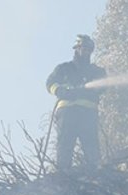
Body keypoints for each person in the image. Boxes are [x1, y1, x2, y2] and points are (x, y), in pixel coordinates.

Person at [46, 34, 106, 170]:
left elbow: (103, 86)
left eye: (89, 50)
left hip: (88, 114)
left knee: (91, 148)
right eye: (84, 49)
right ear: (77, 48)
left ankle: (97, 174)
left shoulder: (97, 71)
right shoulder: (63, 68)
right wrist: (60, 91)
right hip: (67, 112)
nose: (86, 52)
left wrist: (88, 89)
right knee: (64, 146)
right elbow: (50, 83)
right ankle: (62, 175)